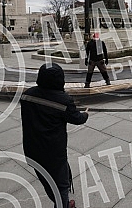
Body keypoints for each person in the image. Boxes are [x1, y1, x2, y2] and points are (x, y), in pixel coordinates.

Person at [21, 63, 89, 208]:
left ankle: (60, 202)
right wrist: (86, 113)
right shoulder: (64, 100)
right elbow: (77, 119)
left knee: (46, 180)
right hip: (53, 153)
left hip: (32, 150)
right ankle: (63, 204)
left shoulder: (27, 95)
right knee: (62, 184)